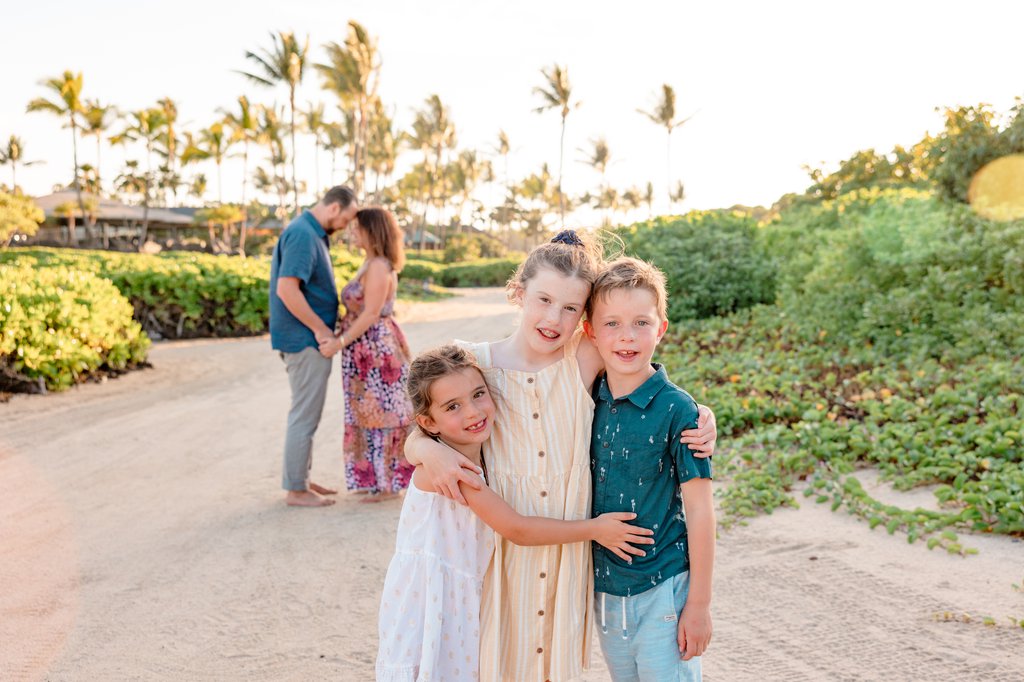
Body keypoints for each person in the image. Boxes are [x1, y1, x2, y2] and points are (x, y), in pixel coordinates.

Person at [405, 230, 718, 682]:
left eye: (570, 308)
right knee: (498, 662)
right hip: (504, 556)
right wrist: (421, 449)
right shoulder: (477, 363)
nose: (555, 317)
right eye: (544, 300)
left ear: (582, 319)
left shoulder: (582, 356)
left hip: (571, 561)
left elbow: (640, 360)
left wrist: (701, 416)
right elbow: (420, 418)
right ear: (518, 292)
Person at [376, 345, 655, 682]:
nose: (473, 412)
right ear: (428, 423)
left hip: (456, 596)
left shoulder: (470, 458)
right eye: (453, 407)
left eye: (479, 394)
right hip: (430, 601)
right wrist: (595, 529)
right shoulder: (454, 472)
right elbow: (517, 528)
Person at [584, 257, 715, 681]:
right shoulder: (585, 398)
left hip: (665, 590)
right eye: (612, 324)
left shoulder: (679, 410)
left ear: (661, 327)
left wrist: (698, 606)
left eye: (641, 323)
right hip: (606, 593)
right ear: (590, 331)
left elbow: (700, 511)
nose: (627, 337)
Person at [269, 186, 358, 508]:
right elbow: (287, 290)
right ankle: (296, 489)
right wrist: (322, 331)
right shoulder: (304, 235)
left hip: (305, 338)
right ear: (334, 208)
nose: (346, 226)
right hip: (306, 341)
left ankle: (301, 479)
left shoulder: (311, 233)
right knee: (305, 416)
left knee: (306, 414)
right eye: (346, 219)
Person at [317, 207, 413, 502]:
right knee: (367, 411)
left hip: (376, 350)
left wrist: (340, 341)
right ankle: (376, 479)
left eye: (357, 228)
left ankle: (386, 485)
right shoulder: (370, 262)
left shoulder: (379, 266)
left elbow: (371, 312)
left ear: (372, 231)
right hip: (364, 350)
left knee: (382, 412)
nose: (351, 232)